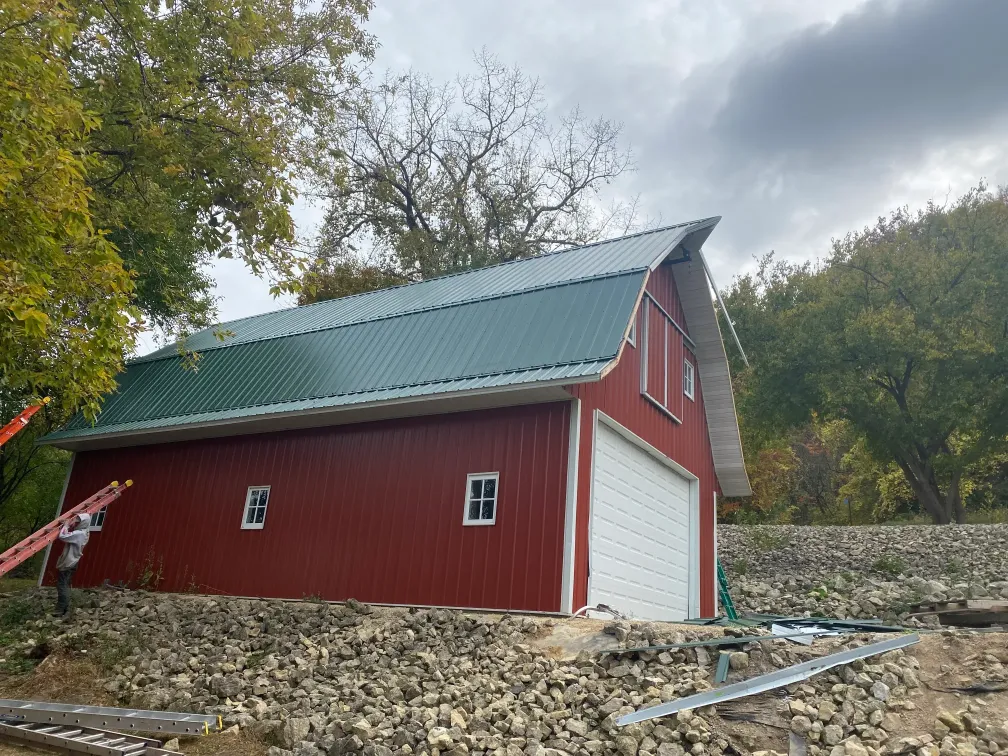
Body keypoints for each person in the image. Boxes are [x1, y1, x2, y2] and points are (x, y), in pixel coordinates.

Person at [54, 513, 91, 617]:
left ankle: (60, 610)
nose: (75, 523)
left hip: (69, 562)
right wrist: (69, 524)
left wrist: (66, 525)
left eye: (78, 522)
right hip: (73, 561)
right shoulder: (85, 532)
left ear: (83, 523)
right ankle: (64, 609)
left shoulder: (80, 534)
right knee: (65, 584)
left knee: (62, 585)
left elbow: (63, 536)